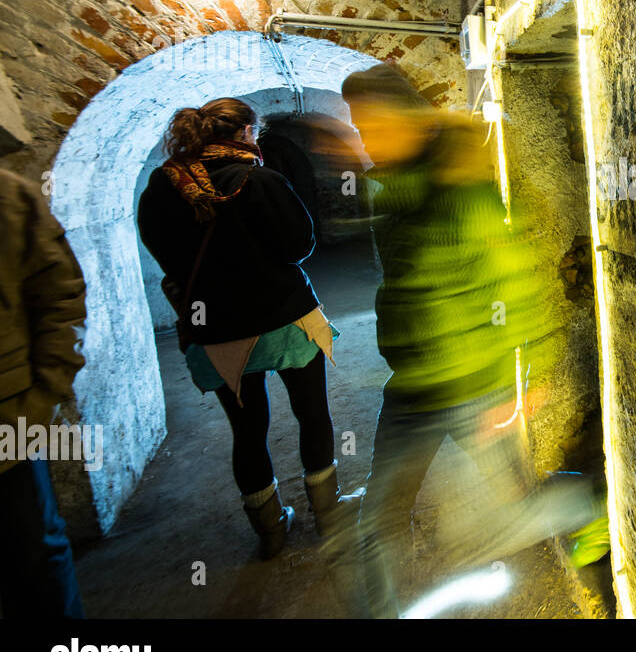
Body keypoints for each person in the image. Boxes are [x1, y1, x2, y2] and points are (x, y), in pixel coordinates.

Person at [341, 64, 607, 618]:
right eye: (358, 127)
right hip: (411, 386)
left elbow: (515, 280)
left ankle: (591, 499)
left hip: (473, 385)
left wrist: (529, 375)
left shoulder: (464, 189)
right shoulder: (387, 192)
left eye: (371, 125)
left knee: (515, 511)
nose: (364, 141)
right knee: (378, 519)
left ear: (405, 119)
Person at [137, 98, 353, 560]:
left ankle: (271, 531)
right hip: (285, 319)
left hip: (216, 330)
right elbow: (299, 246)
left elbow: (162, 253)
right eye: (254, 134)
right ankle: (328, 513)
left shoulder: (162, 186)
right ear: (243, 134)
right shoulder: (260, 180)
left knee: (247, 430)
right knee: (311, 411)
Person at [0, 167, 87, 618]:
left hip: (7, 422)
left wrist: (39, 400)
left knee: (32, 559)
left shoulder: (7, 195)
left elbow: (59, 297)